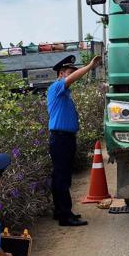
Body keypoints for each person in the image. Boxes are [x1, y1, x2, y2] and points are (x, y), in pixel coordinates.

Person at [47, 53, 102, 227]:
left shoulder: (64, 94)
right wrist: (89, 67)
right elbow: (72, 79)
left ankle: (60, 211)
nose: (72, 75)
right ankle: (65, 215)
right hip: (61, 139)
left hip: (64, 139)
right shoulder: (56, 87)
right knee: (62, 178)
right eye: (69, 71)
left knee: (61, 177)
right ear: (61, 73)